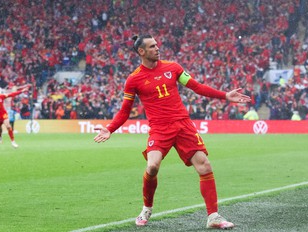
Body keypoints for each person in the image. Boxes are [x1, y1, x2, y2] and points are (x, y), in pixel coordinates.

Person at [94, 35, 251, 229]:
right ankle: (147, 208)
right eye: (152, 46)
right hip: (160, 129)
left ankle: (213, 217)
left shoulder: (173, 68)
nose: (157, 48)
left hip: (183, 125)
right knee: (152, 167)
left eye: (157, 45)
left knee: (205, 166)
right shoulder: (133, 79)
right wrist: (110, 129)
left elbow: (197, 87)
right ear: (141, 52)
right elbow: (125, 111)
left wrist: (225, 95)